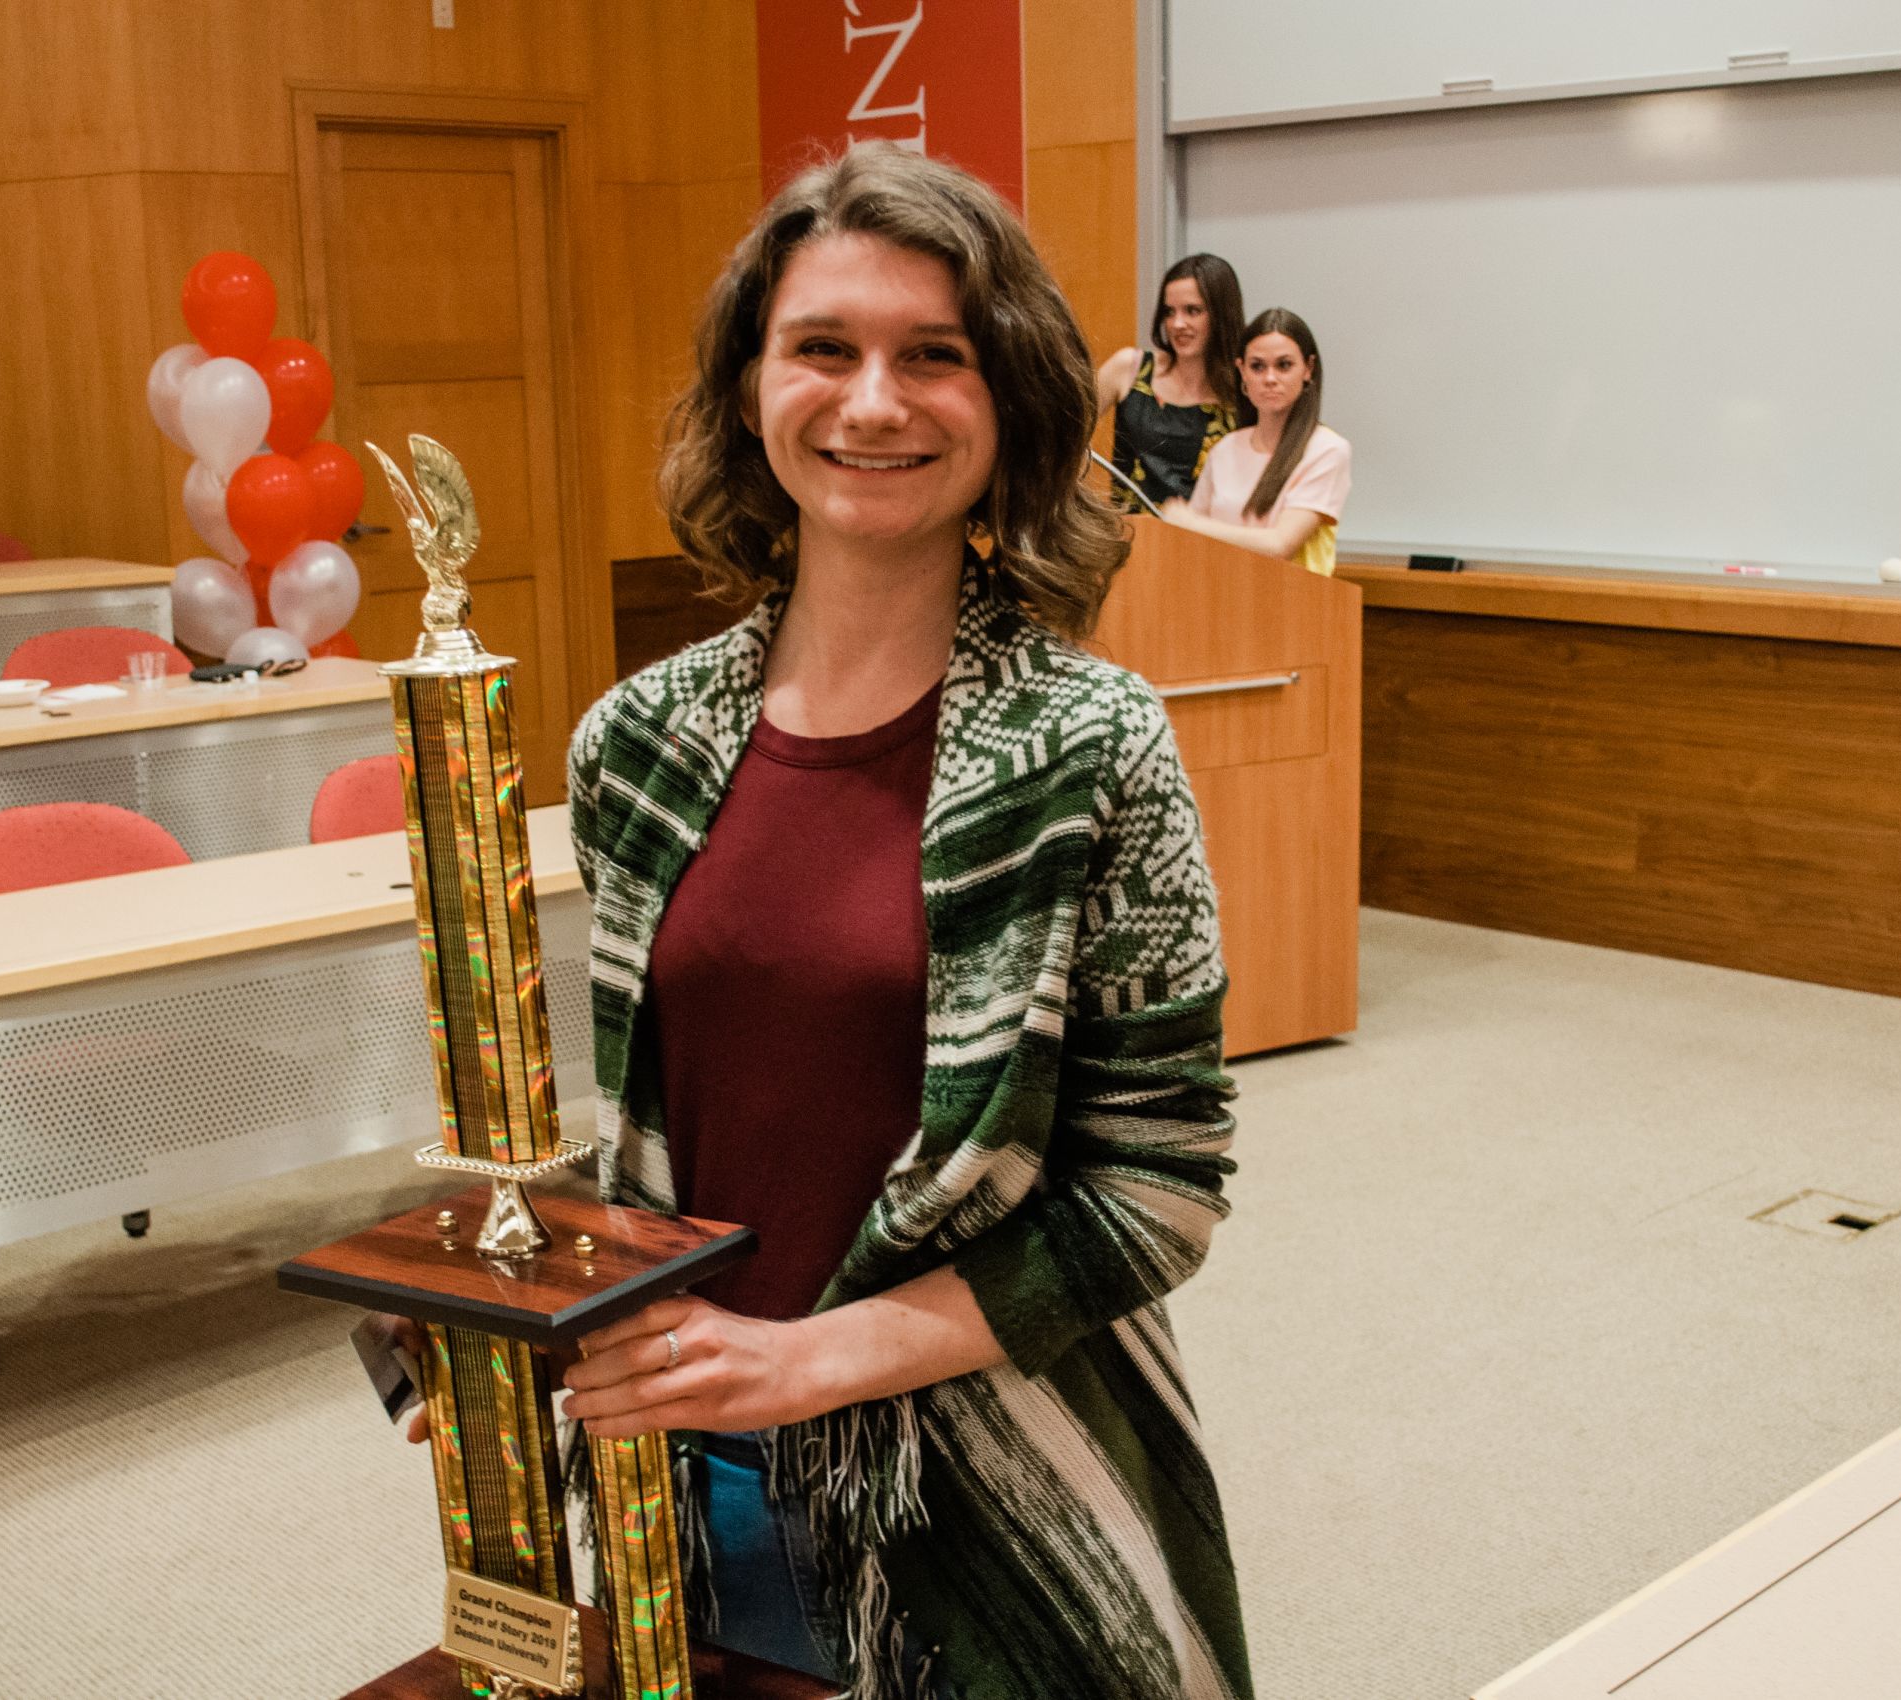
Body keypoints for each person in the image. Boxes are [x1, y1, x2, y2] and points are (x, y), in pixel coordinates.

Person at [544, 145, 1248, 1699]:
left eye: (936, 356)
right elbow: (651, 1129)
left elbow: (1161, 1190)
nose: (875, 403)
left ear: (1010, 409)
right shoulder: (637, 742)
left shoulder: (1091, 743)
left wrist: (805, 1361)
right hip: (692, 1462)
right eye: (823, 349)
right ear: (749, 391)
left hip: (990, 1482)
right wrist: (496, 1312)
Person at [1162, 307, 1351, 575]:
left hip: (1294, 607)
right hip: (1218, 600)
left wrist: (1191, 523)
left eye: (1284, 365)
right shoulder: (1225, 449)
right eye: (1258, 366)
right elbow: (1188, 542)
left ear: (1308, 369)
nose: (1270, 378)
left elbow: (1280, 544)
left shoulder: (1327, 449)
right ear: (1242, 371)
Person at [1095, 254, 1245, 508]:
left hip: (1209, 541)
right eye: (1169, 312)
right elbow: (1062, 433)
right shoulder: (1129, 368)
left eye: (1192, 311)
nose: (1177, 324)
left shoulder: (1244, 391)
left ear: (1221, 315)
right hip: (1129, 537)